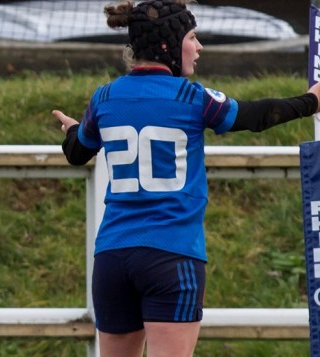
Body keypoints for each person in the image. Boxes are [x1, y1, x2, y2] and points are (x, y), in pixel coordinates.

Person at [52, 1, 320, 356]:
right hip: (171, 258)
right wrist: (311, 100)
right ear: (168, 45)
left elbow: (77, 152)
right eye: (192, 38)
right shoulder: (190, 98)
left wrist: (73, 129)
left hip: (113, 259)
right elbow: (256, 116)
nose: (199, 47)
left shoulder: (104, 98)